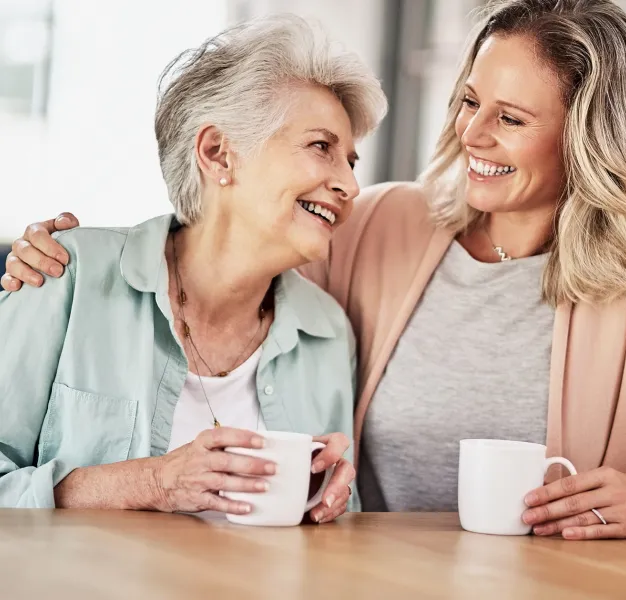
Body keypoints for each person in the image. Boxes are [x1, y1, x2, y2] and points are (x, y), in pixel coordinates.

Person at [4, 0, 626, 539]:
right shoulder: (383, 223)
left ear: (586, 141)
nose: (471, 133)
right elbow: (233, 224)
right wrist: (48, 257)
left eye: (510, 119)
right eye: (469, 100)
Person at [0, 15, 388, 522]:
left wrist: (324, 497)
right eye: (321, 147)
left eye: (352, 162)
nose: (350, 186)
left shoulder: (327, 331)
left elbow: (327, 530)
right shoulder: (62, 274)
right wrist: (153, 482)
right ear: (217, 153)